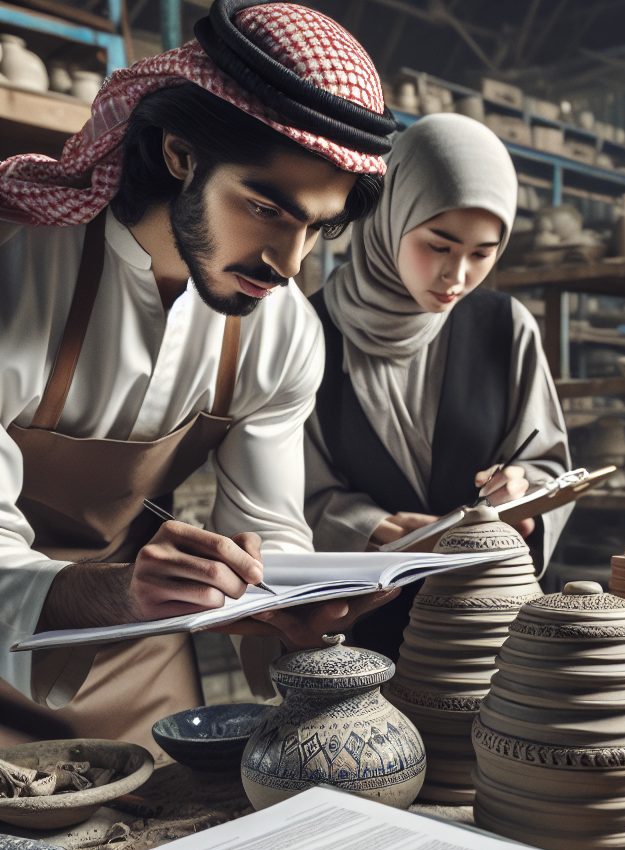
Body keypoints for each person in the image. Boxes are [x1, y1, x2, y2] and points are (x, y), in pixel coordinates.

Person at [0, 0, 398, 757]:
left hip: (142, 669)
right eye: (265, 208)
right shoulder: (16, 274)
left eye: (316, 227)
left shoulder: (279, 329)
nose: (288, 264)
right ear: (180, 155)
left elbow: (272, 527)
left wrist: (292, 598)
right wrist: (125, 590)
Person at [304, 114, 571, 660]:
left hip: (493, 632)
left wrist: (524, 494)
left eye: (482, 253)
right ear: (390, 213)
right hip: (359, 633)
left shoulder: (506, 327)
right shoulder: (309, 332)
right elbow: (290, 492)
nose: (457, 276)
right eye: (439, 245)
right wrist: (372, 525)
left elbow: (549, 466)